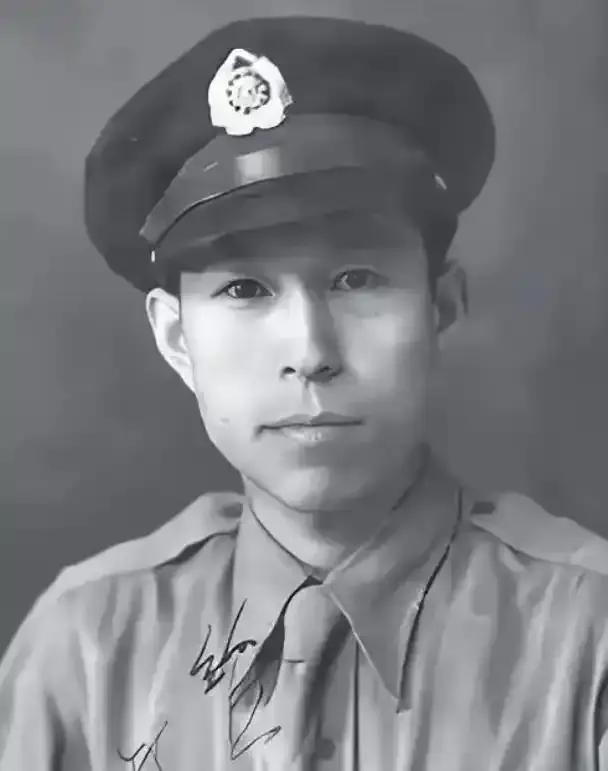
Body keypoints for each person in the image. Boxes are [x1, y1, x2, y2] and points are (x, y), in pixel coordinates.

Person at [1, 15, 607, 771]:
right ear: (177, 337)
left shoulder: (590, 638)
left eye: (356, 279)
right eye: (245, 289)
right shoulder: (85, 646)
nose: (311, 354)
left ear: (440, 307)